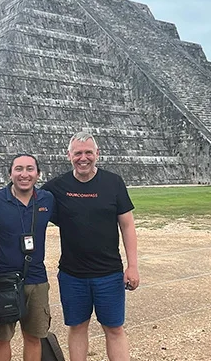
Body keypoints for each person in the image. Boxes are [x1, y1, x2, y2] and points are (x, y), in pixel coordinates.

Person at [41, 131, 140, 361]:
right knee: (77, 327)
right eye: (78, 153)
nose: (83, 158)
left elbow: (127, 226)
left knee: (114, 329)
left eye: (88, 153)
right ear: (69, 155)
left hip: (109, 273)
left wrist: (132, 265)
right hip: (72, 274)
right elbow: (26, 194)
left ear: (97, 154)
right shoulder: (58, 186)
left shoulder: (113, 182)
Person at [0, 154, 55, 361]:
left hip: (36, 279)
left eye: (30, 169)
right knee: (3, 338)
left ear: (38, 174)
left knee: (33, 337)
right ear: (10, 174)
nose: (24, 174)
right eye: (19, 169)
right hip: (3, 279)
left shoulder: (46, 199)